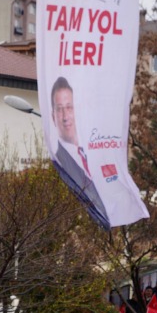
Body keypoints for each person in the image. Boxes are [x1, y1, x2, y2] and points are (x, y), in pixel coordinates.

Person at [47, 76, 107, 226]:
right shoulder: (59, 162)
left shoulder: (94, 154)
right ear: (53, 116)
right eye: (59, 109)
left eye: (69, 107)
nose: (65, 116)